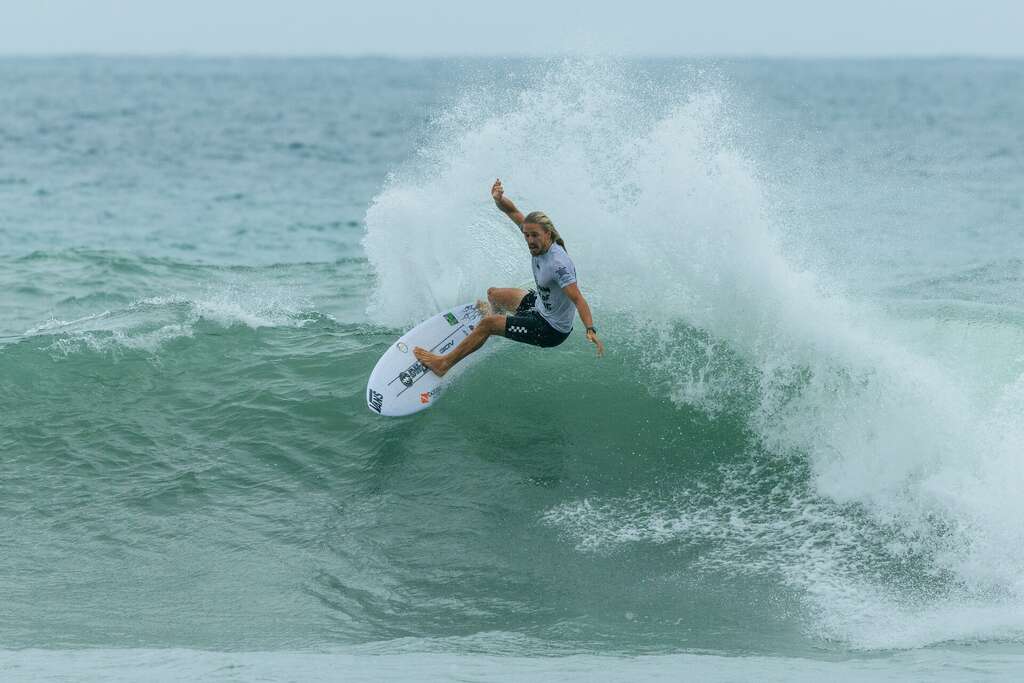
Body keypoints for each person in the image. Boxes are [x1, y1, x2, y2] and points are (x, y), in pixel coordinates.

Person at [414, 179, 604, 377]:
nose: (530, 241)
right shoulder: (538, 240)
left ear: (547, 234)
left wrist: (590, 329)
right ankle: (495, 326)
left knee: (488, 325)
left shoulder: (559, 265)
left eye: (535, 236)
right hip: (539, 307)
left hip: (550, 330)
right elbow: (512, 212)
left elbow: (578, 299)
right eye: (527, 235)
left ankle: (443, 364)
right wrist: (499, 199)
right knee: (493, 294)